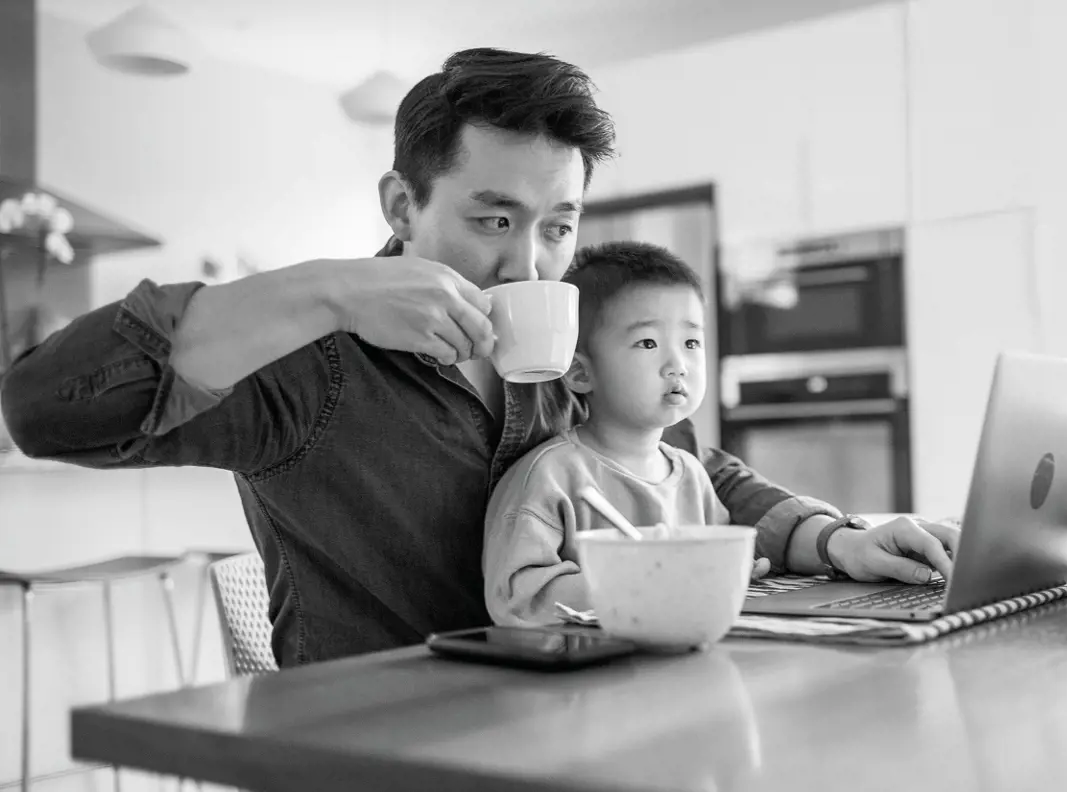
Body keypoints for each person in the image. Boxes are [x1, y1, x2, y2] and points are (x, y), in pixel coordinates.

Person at [0, 47, 957, 667]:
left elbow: (689, 467)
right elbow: (43, 408)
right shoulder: (311, 359)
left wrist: (836, 539)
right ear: (400, 205)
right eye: (493, 218)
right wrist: (332, 289)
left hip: (583, 723)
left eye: (558, 226)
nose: (525, 262)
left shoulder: (566, 347)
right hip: (388, 756)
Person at [484, 241, 735, 626]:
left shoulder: (692, 475)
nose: (678, 365)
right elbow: (519, 600)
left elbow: (706, 575)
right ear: (581, 373)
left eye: (691, 343)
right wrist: (641, 585)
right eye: (648, 342)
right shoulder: (551, 476)